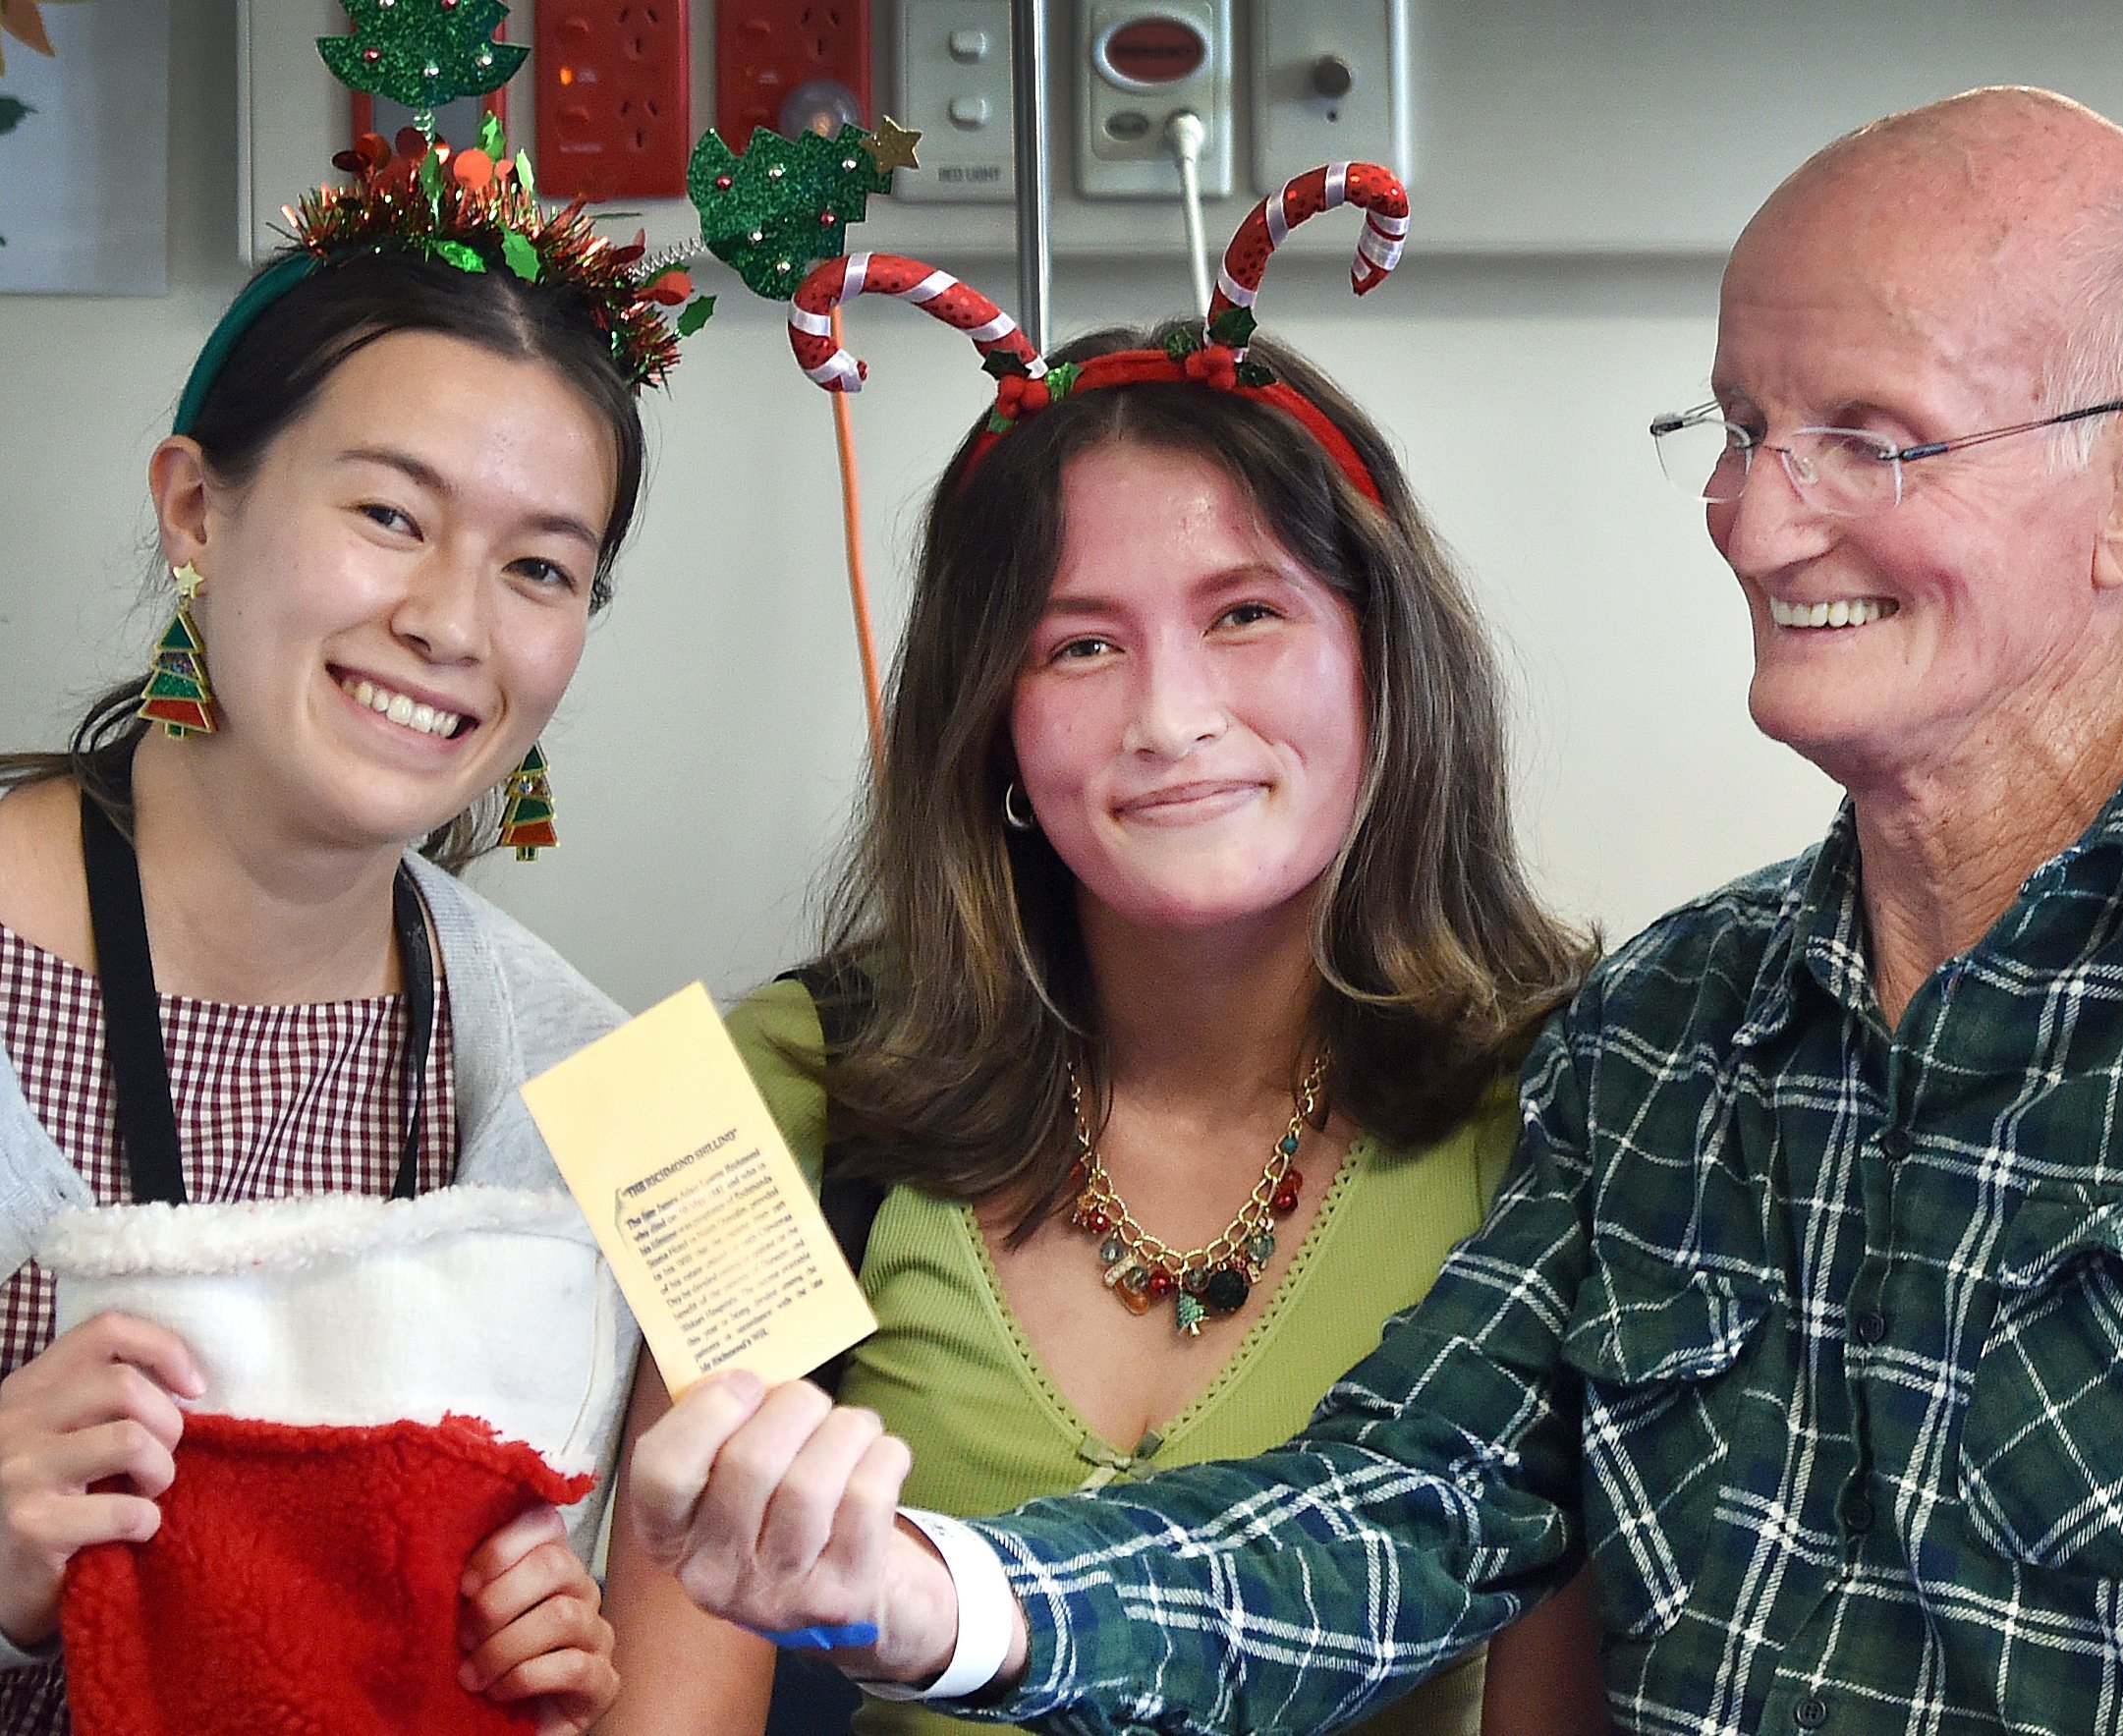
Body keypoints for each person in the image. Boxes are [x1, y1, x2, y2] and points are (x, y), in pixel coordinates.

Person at [623, 88, 2123, 1733]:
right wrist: (946, 1593)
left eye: (1866, 439)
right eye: (1739, 429)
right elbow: (1407, 1506)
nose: (1754, 519)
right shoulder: (1669, 1028)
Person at [598, 210, 1610, 1736]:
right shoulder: (713, 1097)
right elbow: (670, 1707)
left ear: (1388, 658)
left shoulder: (1596, 1098)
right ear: (988, 715)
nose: (1171, 716)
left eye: (1248, 613)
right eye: (1079, 647)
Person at [0, 120, 682, 1734]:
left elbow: (743, 1584)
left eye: (540, 566)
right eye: (388, 514)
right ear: (196, 509)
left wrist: (561, 1683)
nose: (452, 622)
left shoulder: (644, 1091)